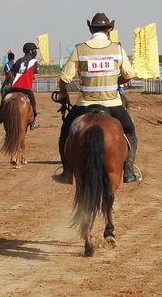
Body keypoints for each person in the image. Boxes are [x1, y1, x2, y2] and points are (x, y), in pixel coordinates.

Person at [53, 13, 140, 185]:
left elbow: (64, 78)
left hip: (85, 105)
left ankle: (67, 173)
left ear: (91, 29)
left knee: (65, 133)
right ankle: (129, 172)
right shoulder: (117, 48)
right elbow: (129, 74)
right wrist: (117, 82)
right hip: (113, 104)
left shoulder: (80, 49)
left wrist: (63, 94)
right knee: (130, 132)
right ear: (109, 30)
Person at [0, 43, 40, 130]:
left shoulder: (18, 60)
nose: (35, 52)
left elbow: (11, 73)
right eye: (34, 50)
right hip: (26, 88)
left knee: (5, 98)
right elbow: (35, 72)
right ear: (31, 51)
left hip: (14, 87)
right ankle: (34, 120)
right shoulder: (34, 61)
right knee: (33, 102)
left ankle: (0, 114)